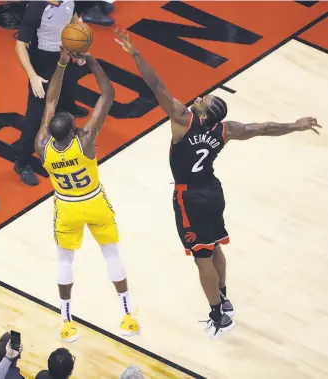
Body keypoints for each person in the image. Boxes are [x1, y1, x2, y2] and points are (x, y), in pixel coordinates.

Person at [115, 29, 322, 339]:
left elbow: (155, 85)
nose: (200, 96)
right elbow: (263, 128)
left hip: (188, 196)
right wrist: (295, 125)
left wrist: (135, 54)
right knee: (214, 246)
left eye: (205, 99)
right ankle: (223, 297)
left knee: (201, 256)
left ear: (203, 110)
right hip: (212, 191)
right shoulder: (226, 130)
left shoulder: (183, 119)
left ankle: (218, 315)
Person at [34, 47, 139, 342]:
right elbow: (107, 95)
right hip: (93, 201)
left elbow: (51, 100)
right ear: (74, 130)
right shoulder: (86, 141)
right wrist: (92, 60)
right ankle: (128, 316)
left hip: (66, 207)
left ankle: (66, 322)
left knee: (65, 262)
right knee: (111, 254)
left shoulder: (42, 144)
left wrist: (61, 64)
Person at [15, 0, 89, 186]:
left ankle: (66, 128)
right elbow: (20, 45)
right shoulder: (36, 7)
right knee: (35, 117)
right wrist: (32, 76)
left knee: (69, 94)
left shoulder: (70, 1)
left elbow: (72, 20)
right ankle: (22, 163)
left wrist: (77, 49)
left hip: (63, 54)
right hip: (42, 62)